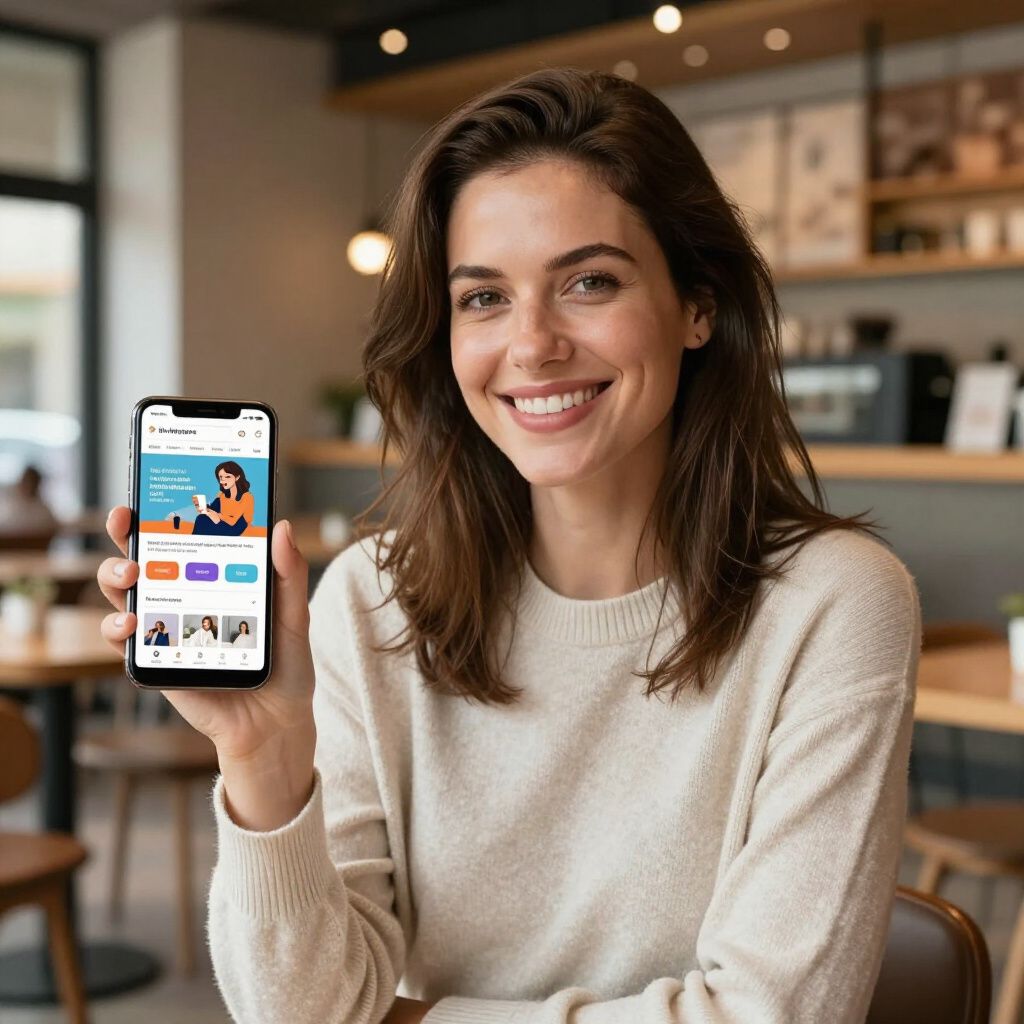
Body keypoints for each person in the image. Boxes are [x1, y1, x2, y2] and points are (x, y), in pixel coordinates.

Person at [95, 68, 920, 1024]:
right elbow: (305, 1010)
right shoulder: (371, 601)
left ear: (698, 305)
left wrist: (417, 1018)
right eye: (483, 298)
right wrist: (264, 756)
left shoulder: (834, 602)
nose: (531, 345)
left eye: (589, 282)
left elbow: (774, 1015)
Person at [190, 462, 255, 537]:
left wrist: (216, 516)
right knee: (201, 518)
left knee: (204, 522)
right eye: (221, 477)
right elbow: (213, 509)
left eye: (227, 477)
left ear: (237, 477)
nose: (222, 480)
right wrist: (202, 507)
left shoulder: (247, 497)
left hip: (234, 527)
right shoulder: (222, 494)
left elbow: (232, 521)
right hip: (220, 521)